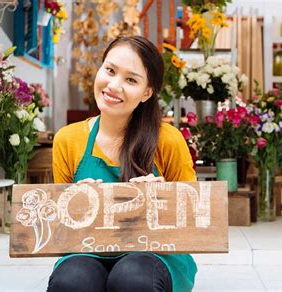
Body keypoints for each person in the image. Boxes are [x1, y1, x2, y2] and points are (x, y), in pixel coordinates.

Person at [48, 35, 197, 292]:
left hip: (156, 254)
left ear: (147, 92)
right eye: (110, 70)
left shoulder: (167, 140)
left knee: (132, 278)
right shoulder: (68, 139)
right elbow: (59, 228)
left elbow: (196, 215)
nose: (114, 85)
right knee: (71, 282)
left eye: (131, 80)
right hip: (87, 250)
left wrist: (165, 199)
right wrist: (76, 203)